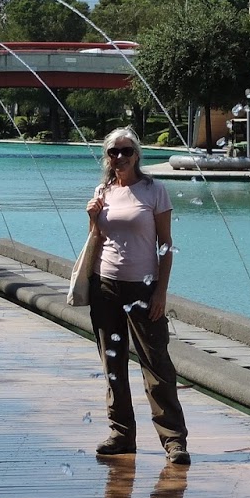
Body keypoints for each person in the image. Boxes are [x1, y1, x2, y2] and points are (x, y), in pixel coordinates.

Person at [84, 127, 189, 465]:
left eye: (126, 151)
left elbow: (165, 245)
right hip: (105, 286)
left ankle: (173, 440)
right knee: (112, 362)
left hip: (143, 288)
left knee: (156, 364)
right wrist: (92, 218)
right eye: (114, 151)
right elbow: (98, 239)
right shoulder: (103, 191)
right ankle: (121, 434)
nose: (120, 157)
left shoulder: (154, 191)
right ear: (107, 155)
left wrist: (161, 291)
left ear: (137, 154)